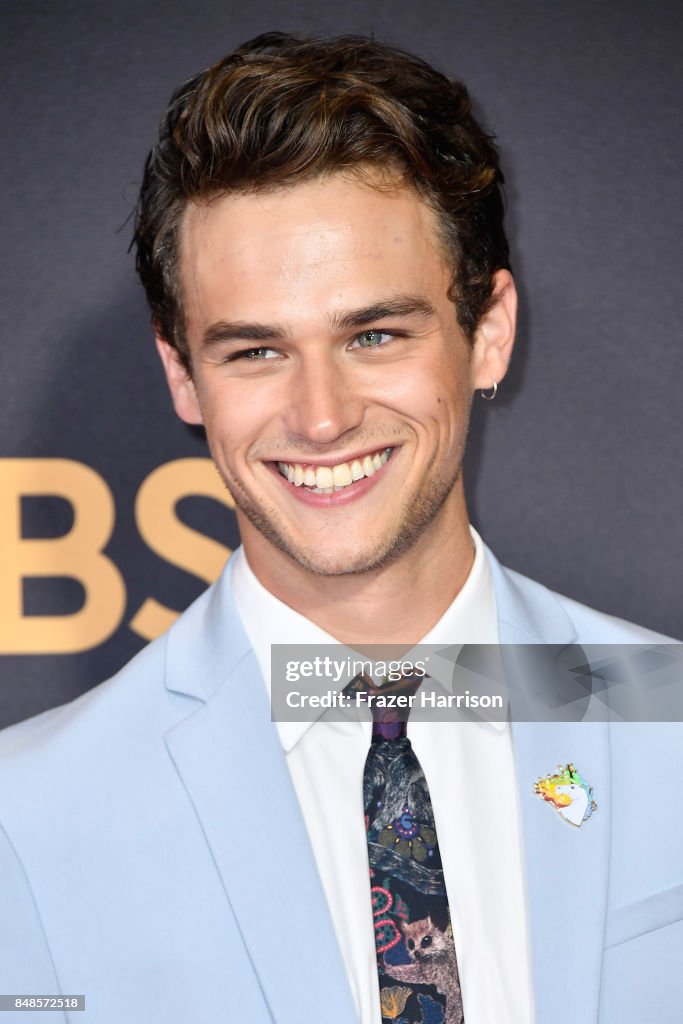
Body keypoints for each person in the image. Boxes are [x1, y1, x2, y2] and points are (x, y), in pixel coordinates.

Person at [0, 32, 680, 1024]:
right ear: (181, 374)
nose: (320, 416)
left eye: (373, 334)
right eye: (254, 351)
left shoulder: (668, 720)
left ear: (486, 332)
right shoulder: (28, 817)